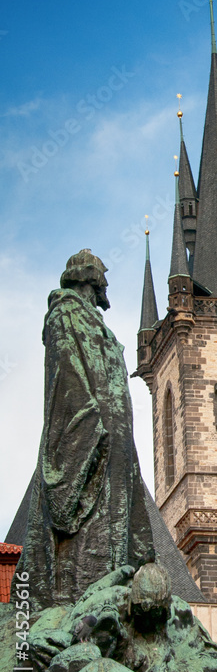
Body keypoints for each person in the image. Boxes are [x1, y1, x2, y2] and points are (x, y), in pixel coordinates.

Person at [13, 250, 154, 611]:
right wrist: (92, 427)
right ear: (91, 279)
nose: (106, 286)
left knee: (118, 531)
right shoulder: (65, 313)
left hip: (118, 443)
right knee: (90, 534)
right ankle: (80, 614)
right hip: (94, 436)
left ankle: (115, 599)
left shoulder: (94, 321)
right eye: (102, 277)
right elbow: (67, 380)